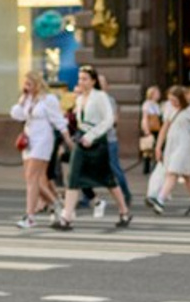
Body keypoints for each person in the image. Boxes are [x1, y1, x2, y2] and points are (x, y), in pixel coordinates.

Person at [53, 66, 130, 229]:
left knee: (107, 178)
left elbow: (109, 120)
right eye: (79, 78)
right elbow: (78, 121)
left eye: (85, 79)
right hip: (81, 141)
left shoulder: (101, 97)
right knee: (73, 177)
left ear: (93, 81)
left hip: (97, 142)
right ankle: (66, 217)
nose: (81, 81)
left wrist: (92, 136)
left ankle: (124, 211)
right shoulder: (80, 98)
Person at [11, 73, 68, 229]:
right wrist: (22, 100)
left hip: (43, 139)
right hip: (29, 140)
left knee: (32, 178)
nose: (26, 87)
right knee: (32, 179)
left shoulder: (48, 99)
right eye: (25, 84)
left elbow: (59, 120)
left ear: (37, 84)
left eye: (29, 84)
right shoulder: (28, 99)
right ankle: (57, 204)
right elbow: (17, 115)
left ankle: (30, 216)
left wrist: (67, 138)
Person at [148, 86, 190, 215]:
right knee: (186, 175)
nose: (173, 103)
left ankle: (160, 200)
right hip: (172, 144)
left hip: (184, 145)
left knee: (172, 172)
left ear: (181, 99)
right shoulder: (169, 108)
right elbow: (164, 129)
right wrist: (158, 147)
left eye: (175, 100)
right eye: (170, 100)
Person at [139, 84, 162, 175]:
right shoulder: (147, 104)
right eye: (157, 93)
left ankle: (155, 166)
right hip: (150, 128)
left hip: (157, 128)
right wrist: (146, 129)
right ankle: (147, 167)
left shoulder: (156, 105)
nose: (159, 95)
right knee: (148, 148)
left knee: (155, 147)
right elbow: (145, 117)